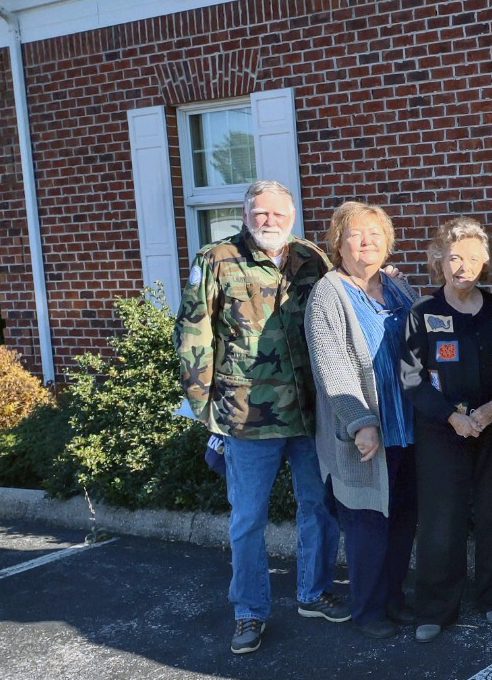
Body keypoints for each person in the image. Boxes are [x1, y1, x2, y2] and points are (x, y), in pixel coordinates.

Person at [175, 179, 346, 655]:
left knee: (319, 507)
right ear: (246, 214)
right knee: (248, 520)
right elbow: (193, 333)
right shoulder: (216, 259)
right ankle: (249, 612)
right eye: (259, 213)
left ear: (291, 215)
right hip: (246, 416)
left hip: (310, 414)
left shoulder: (311, 258)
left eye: (277, 214)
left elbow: (342, 306)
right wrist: (203, 405)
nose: (268, 222)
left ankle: (313, 593)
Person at [401, 217, 492, 640]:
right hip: (443, 433)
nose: (463, 266)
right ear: (439, 260)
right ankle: (435, 608)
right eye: (455, 257)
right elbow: (411, 378)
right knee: (441, 519)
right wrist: (452, 417)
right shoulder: (422, 314)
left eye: (473, 257)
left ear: (486, 262)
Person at [305, 201, 419, 640]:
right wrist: (360, 420)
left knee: (404, 517)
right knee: (367, 523)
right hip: (365, 433)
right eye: (355, 233)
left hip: (407, 425)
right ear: (338, 243)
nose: (366, 240)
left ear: (387, 242)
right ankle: (368, 611)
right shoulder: (328, 293)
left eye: (375, 233)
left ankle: (393, 599)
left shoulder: (398, 289)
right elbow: (331, 364)